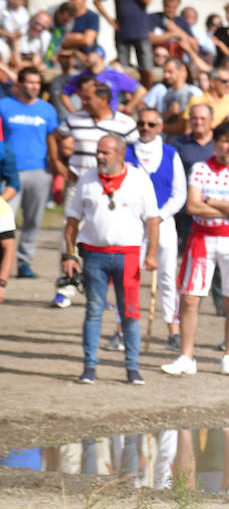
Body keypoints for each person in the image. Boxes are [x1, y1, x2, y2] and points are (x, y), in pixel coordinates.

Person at [63, 134, 160, 384]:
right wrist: (70, 254)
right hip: (94, 254)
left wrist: (151, 254)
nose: (99, 157)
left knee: (129, 313)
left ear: (121, 154)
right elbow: (72, 219)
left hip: (128, 255)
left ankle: (132, 368)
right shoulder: (87, 179)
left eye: (105, 152)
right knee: (93, 311)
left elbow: (152, 219)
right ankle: (89, 367)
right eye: (98, 151)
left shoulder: (139, 179)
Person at [161, 123, 229, 377]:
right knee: (191, 298)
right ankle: (186, 356)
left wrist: (211, 202)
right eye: (224, 142)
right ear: (215, 144)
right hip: (203, 239)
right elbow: (193, 206)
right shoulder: (200, 169)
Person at [123, 108, 186, 351]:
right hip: (134, 223)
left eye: (150, 124)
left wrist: (159, 216)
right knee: (129, 277)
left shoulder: (170, 153)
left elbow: (179, 193)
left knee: (167, 277)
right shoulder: (127, 152)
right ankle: (123, 328)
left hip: (163, 221)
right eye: (141, 123)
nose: (145, 128)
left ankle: (173, 329)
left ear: (159, 127)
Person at [0, 66, 59, 278]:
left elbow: (52, 139)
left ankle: (24, 261)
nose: (34, 86)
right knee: (4, 218)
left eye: (37, 83)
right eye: (30, 82)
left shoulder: (47, 110)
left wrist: (55, 164)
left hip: (39, 171)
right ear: (20, 84)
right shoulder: (4, 105)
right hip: (9, 174)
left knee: (33, 220)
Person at [94, 0, 154, 77]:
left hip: (141, 31)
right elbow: (97, 0)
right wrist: (111, 21)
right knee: (123, 69)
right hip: (122, 32)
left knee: (146, 67)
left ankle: (146, 88)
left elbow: (147, 0)